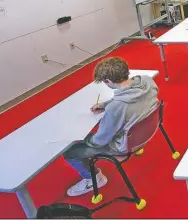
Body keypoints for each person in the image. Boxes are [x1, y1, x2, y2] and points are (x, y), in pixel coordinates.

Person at [63, 57, 158, 197]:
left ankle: (94, 178)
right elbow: (128, 95)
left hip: (123, 146)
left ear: (108, 81)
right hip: (146, 132)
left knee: (70, 152)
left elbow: (100, 140)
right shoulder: (147, 82)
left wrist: (84, 139)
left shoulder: (116, 107)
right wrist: (105, 104)